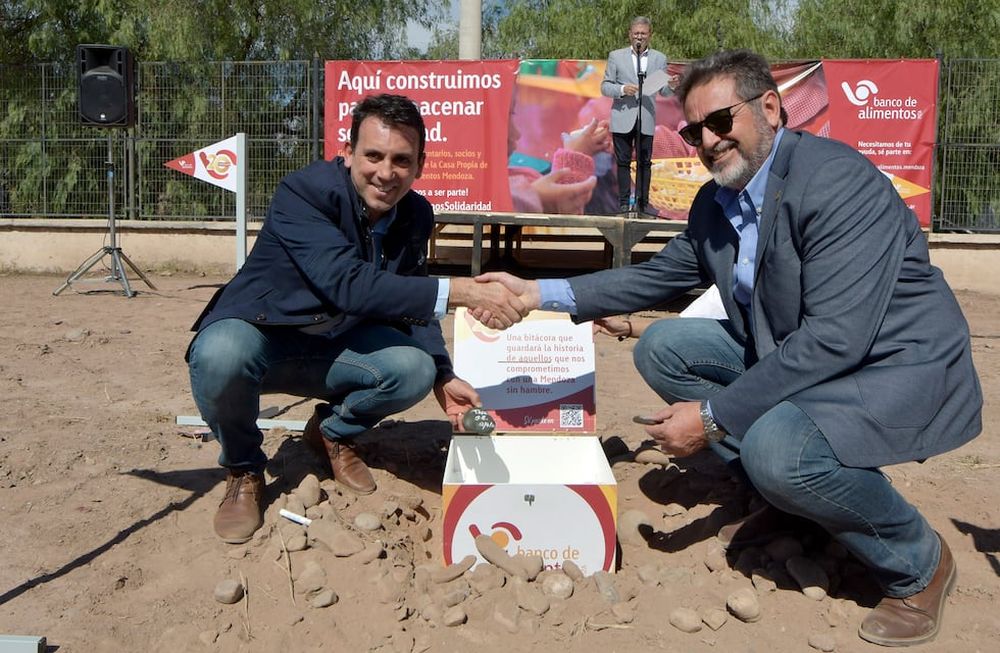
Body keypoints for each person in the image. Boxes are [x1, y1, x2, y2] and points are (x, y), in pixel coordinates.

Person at [477, 50, 983, 647]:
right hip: (803, 350)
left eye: (722, 122)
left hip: (895, 362)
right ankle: (795, 503)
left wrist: (713, 417)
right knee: (664, 348)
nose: (709, 141)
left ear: (770, 106)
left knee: (779, 450)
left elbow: (835, 339)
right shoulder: (715, 203)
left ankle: (918, 561)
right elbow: (655, 277)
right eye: (694, 131)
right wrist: (537, 291)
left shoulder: (834, 181)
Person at [186, 93, 527, 545]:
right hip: (263, 341)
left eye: (402, 160)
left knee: (415, 369)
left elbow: (411, 300)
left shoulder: (416, 214)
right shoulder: (304, 193)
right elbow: (347, 283)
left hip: (335, 348)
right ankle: (245, 469)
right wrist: (461, 291)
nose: (386, 173)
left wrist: (443, 376)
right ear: (347, 154)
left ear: (420, 166)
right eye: (374, 155)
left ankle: (330, 433)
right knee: (220, 353)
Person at [600, 15, 672, 216]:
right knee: (623, 161)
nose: (639, 37)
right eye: (636, 33)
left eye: (643, 33)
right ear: (630, 34)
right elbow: (605, 86)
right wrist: (623, 89)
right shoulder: (616, 56)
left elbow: (664, 91)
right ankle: (623, 204)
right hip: (623, 116)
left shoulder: (659, 58)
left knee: (644, 162)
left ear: (650, 35)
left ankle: (642, 203)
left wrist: (672, 86)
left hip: (646, 116)